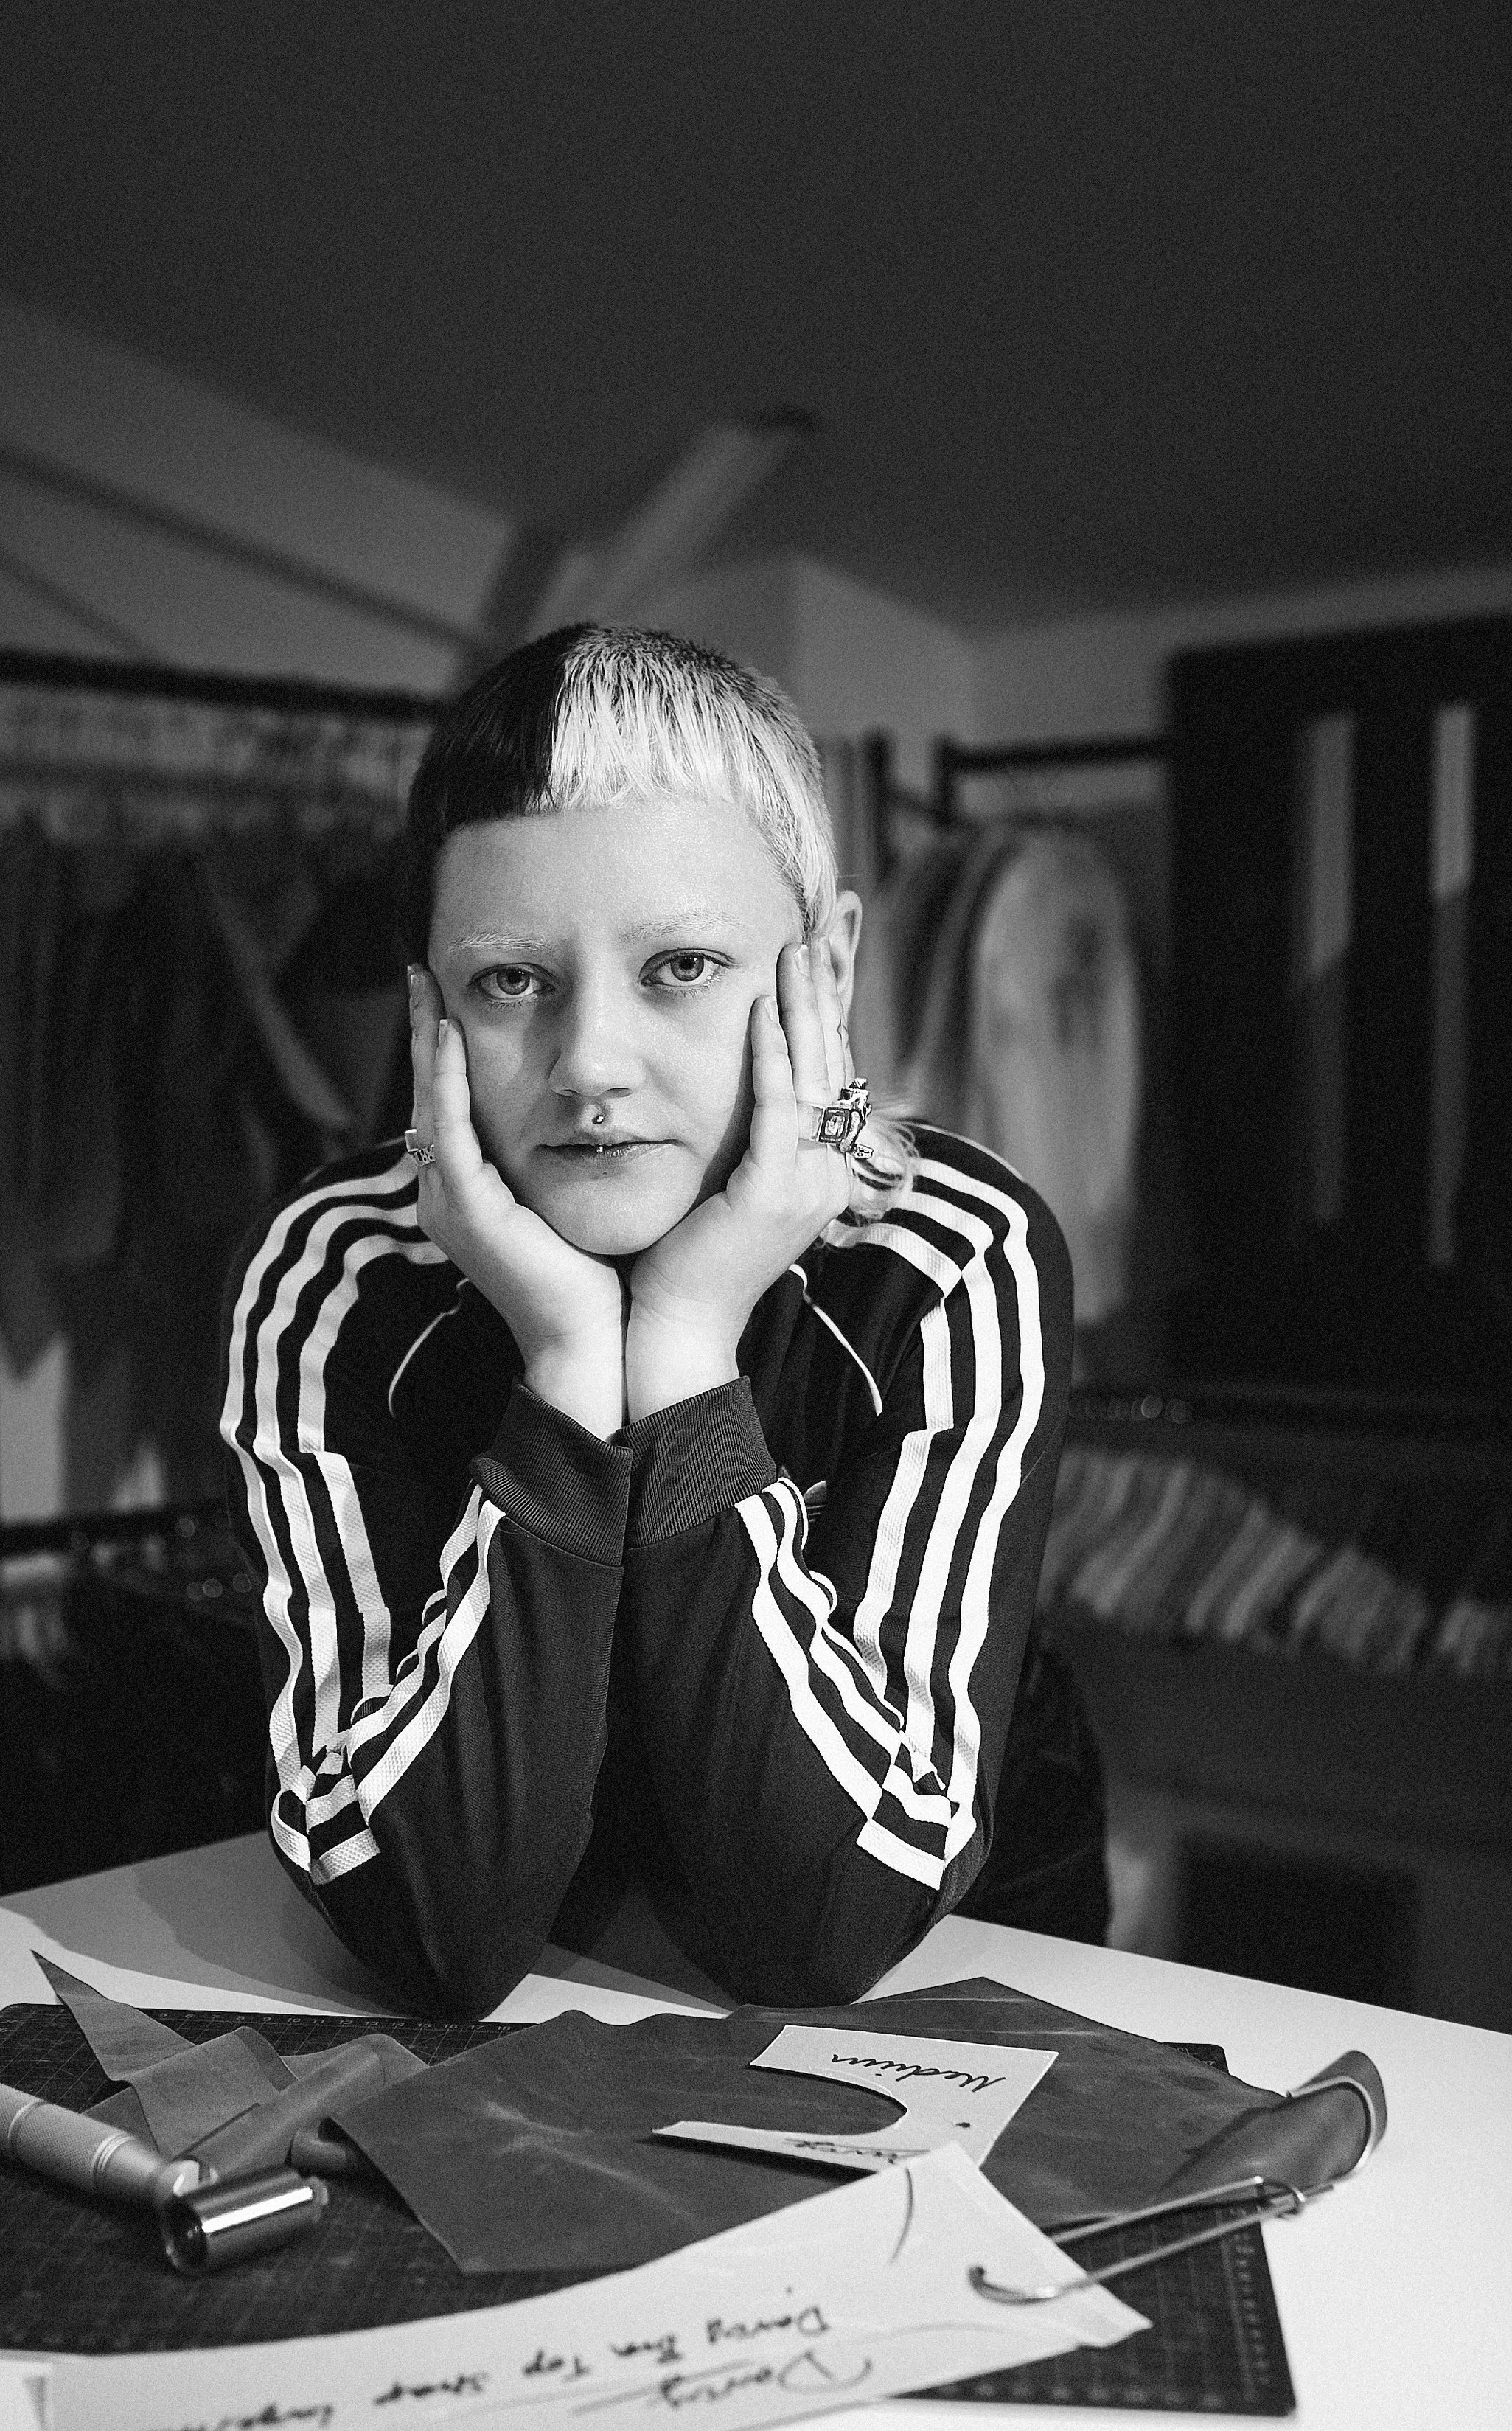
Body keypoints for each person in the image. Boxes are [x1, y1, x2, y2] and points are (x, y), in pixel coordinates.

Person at [222, 625, 1073, 2016]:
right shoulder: (336, 1276)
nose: (592, 1068)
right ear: (429, 1007)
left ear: (830, 968)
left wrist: (683, 1351)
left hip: (952, 1999)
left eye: (680, 967)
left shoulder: (947, 1252)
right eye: (512, 981)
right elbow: (433, 1923)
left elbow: (829, 1926)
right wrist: (568, 1368)